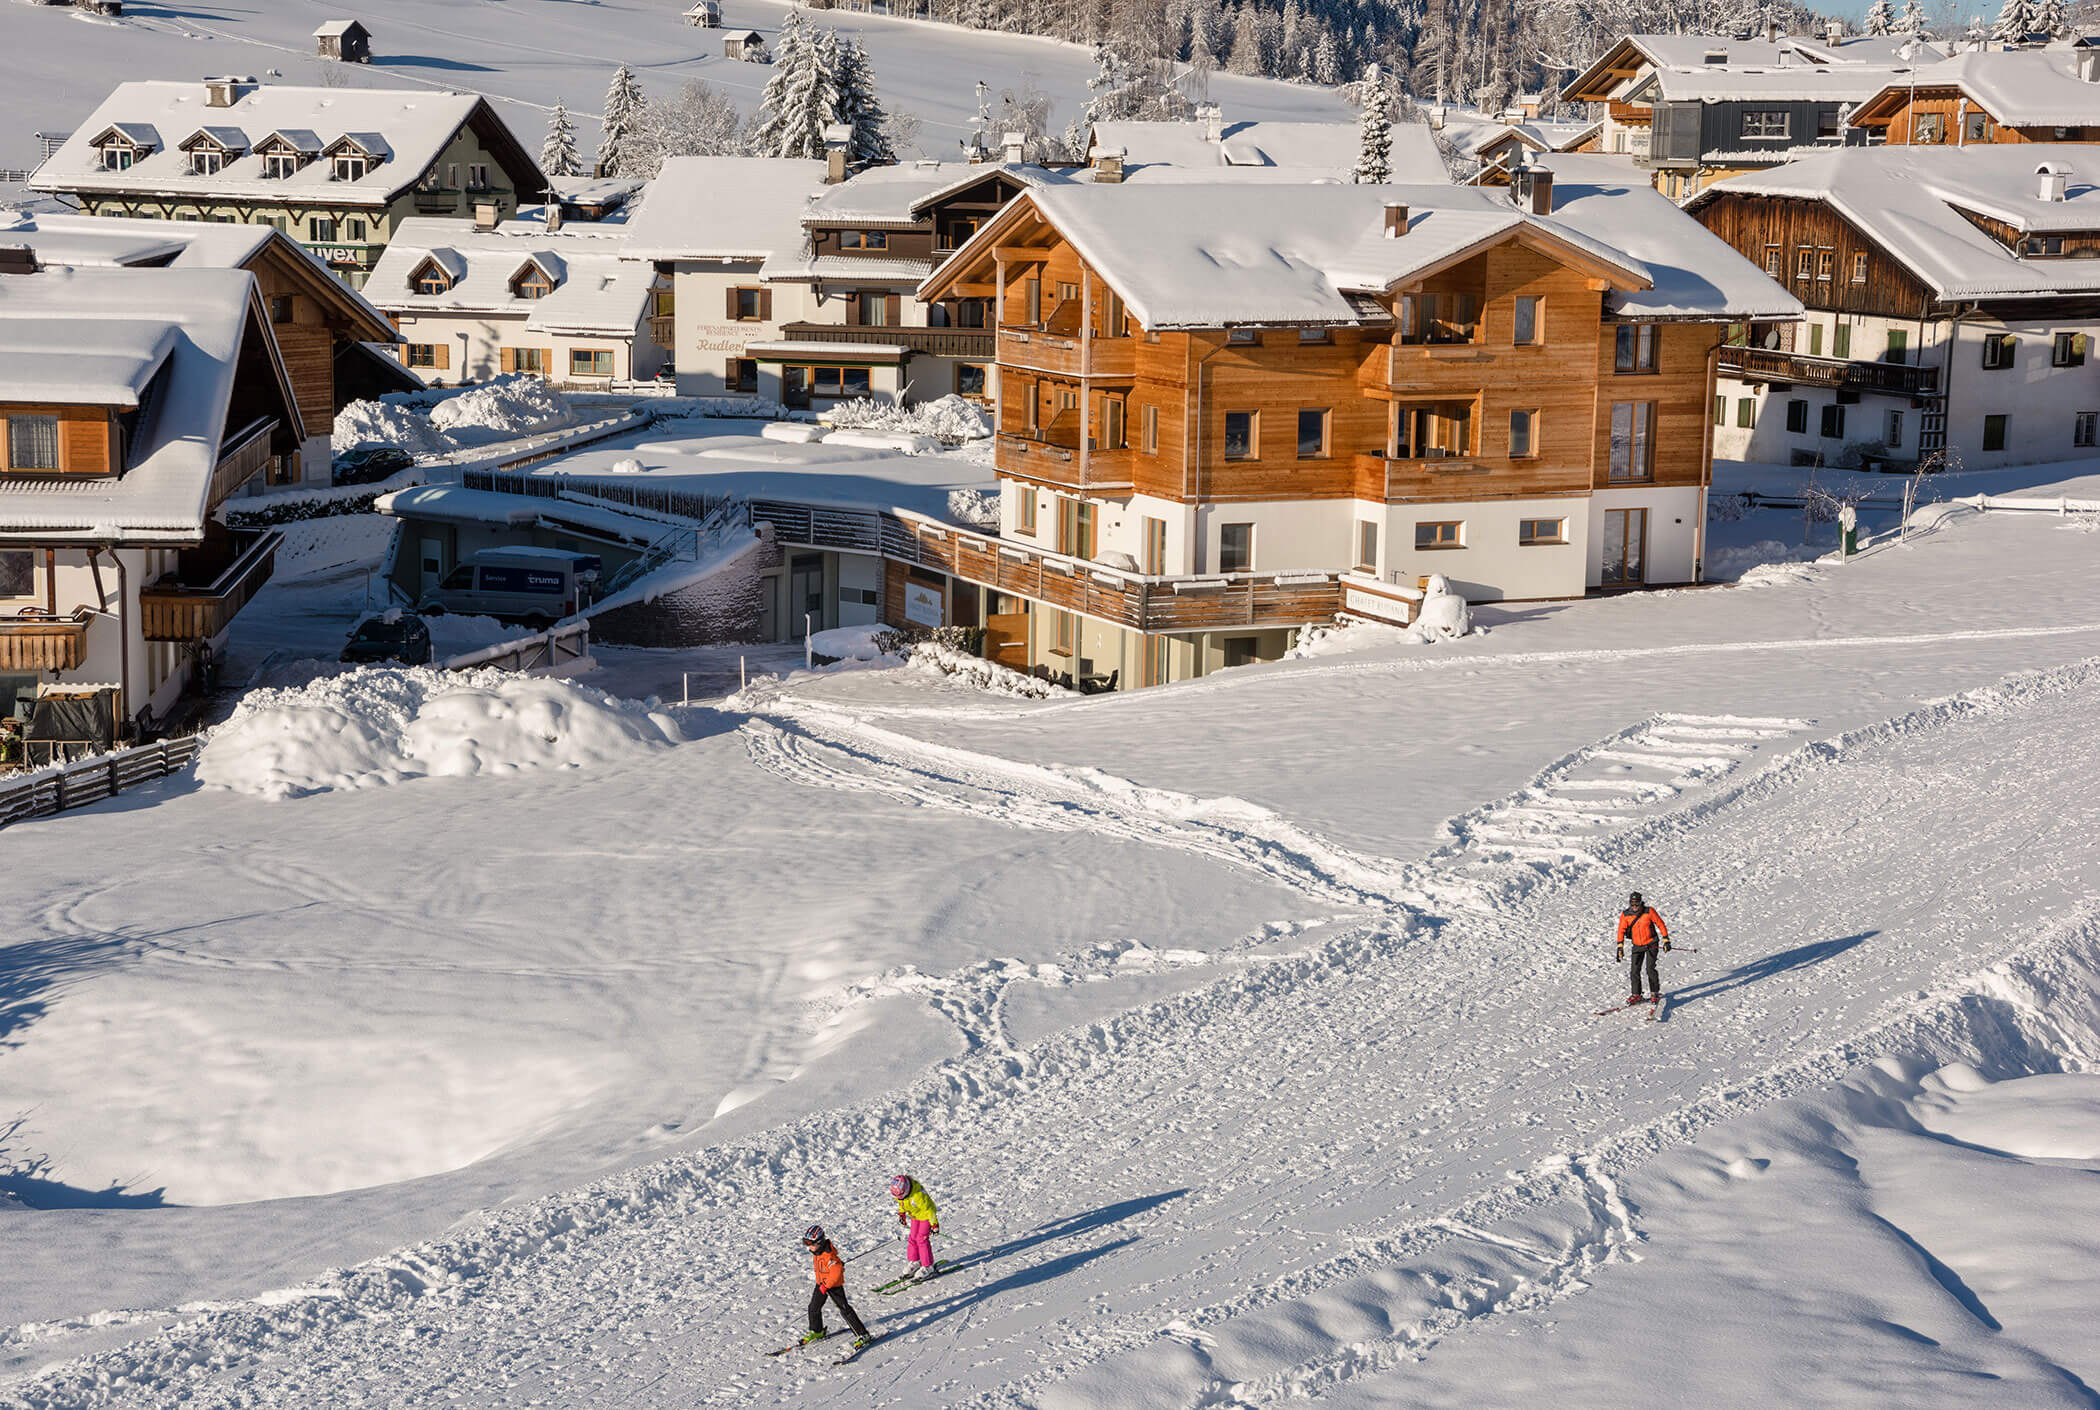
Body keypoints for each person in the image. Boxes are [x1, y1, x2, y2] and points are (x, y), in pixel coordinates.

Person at [800, 1225, 871, 1348]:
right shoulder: (817, 1252)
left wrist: (827, 1285)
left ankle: (862, 1334)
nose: (809, 1247)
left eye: (811, 1244)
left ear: (820, 1242)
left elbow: (836, 1273)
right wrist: (823, 1284)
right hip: (821, 1284)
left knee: (844, 1310)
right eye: (807, 1244)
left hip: (833, 1286)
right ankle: (817, 1331)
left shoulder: (829, 1256)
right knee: (813, 1307)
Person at [1616, 890, 1671, 1005]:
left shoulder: (1649, 911)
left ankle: (1654, 993)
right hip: (1637, 945)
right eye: (1632, 904)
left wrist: (1666, 939)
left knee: (1650, 969)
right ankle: (1636, 994)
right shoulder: (1626, 915)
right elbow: (1621, 930)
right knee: (1634, 971)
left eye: (1637, 904)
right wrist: (1620, 947)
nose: (1634, 907)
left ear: (1641, 903)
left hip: (1651, 943)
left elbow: (1660, 924)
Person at [889, 1174, 940, 1281]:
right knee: (912, 1238)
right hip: (915, 1216)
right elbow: (902, 1203)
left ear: (906, 1189)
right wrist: (902, 1214)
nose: (898, 1198)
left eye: (900, 1195)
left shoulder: (918, 1196)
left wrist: (934, 1224)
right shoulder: (903, 1195)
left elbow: (929, 1210)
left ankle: (928, 1266)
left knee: (922, 1239)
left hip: (926, 1217)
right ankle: (915, 1262)